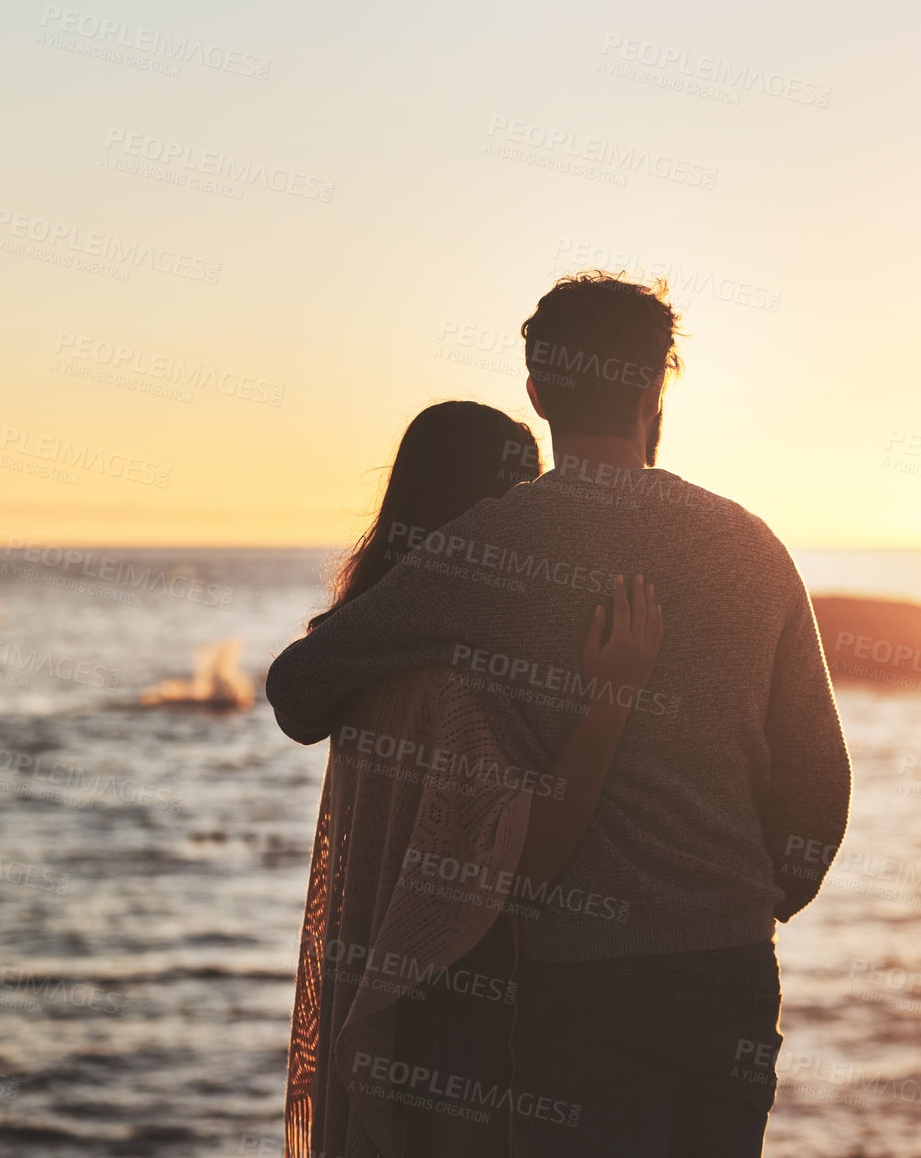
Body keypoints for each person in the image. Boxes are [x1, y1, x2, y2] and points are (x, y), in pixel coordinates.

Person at [270, 272, 853, 1157]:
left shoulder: (490, 546)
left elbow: (300, 689)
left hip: (580, 982)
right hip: (733, 972)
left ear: (538, 391)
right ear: (658, 385)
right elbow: (819, 784)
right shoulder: (753, 546)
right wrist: (752, 905)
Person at [284, 399, 665, 1158]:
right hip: (457, 1013)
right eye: (517, 498)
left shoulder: (363, 654)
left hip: (395, 1003)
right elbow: (530, 854)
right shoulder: (454, 681)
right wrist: (612, 701)